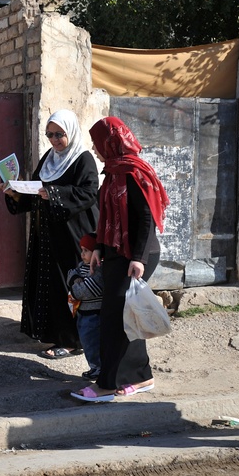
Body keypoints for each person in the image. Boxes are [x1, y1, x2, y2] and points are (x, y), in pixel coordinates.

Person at [72, 117, 168, 403]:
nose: (94, 147)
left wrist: (137, 259)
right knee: (127, 316)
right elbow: (108, 218)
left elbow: (146, 218)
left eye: (97, 142)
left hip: (137, 255)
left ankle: (108, 385)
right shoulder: (113, 172)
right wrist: (100, 247)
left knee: (115, 319)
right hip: (116, 253)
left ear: (111, 143)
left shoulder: (134, 172)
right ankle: (141, 375)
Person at [1, 109, 98, 360]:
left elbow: (88, 193)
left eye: (59, 134)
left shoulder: (82, 159)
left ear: (71, 132)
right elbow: (36, 193)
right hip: (47, 238)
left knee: (71, 285)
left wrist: (53, 193)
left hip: (72, 236)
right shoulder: (49, 159)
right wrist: (16, 194)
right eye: (50, 135)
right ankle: (52, 334)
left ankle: (72, 341)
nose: (54, 140)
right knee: (52, 286)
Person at [67, 233, 104, 380]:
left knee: (92, 344)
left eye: (86, 250)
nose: (82, 254)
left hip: (94, 314)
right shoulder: (82, 267)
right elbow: (70, 275)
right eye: (81, 250)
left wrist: (74, 289)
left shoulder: (99, 269)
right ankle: (95, 367)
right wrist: (76, 279)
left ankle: (98, 368)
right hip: (83, 313)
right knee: (86, 342)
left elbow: (88, 290)